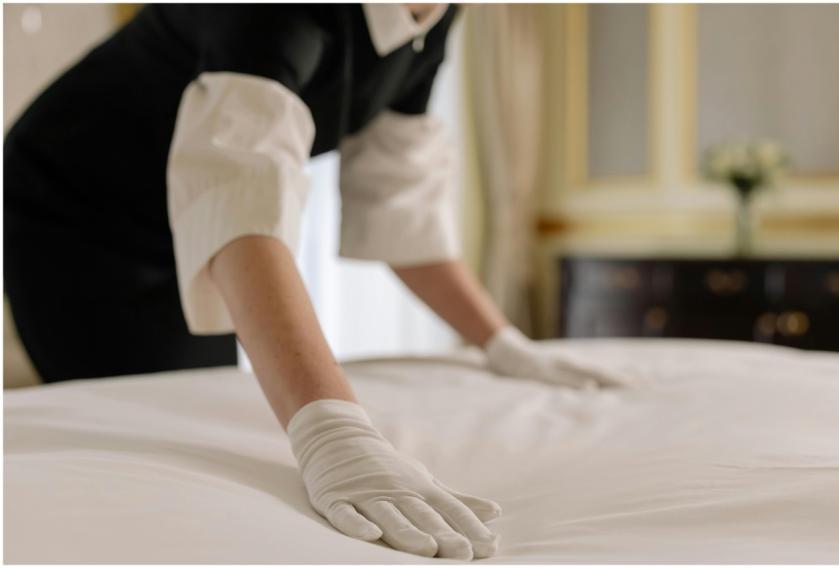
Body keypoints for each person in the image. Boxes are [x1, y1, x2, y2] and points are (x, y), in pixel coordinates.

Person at [4, 3, 632, 559]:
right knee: (141, 427)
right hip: (72, 217)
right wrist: (334, 432)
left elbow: (400, 205)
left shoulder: (435, 16)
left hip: (186, 230)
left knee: (190, 410)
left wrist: (501, 341)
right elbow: (236, 204)